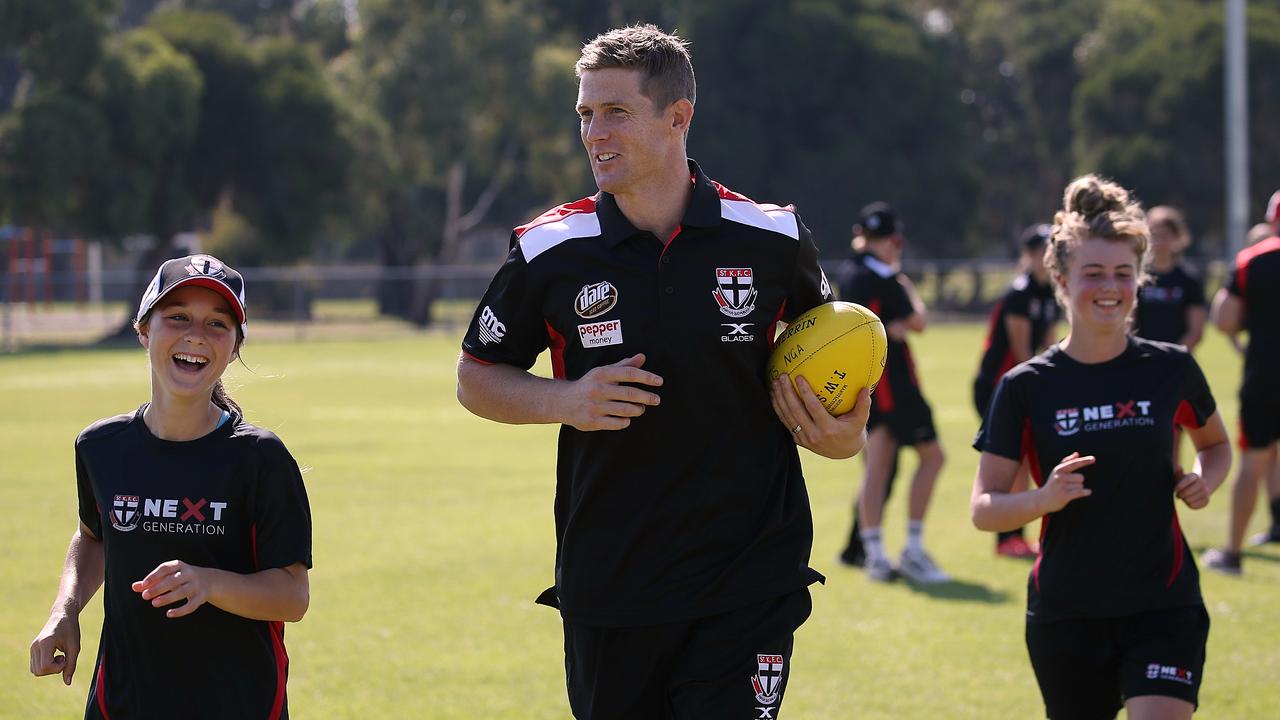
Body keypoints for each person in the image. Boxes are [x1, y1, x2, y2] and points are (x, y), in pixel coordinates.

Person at [455, 25, 869, 719]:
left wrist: (841, 434)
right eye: (586, 113)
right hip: (611, 579)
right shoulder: (551, 248)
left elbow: (832, 372)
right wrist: (569, 399)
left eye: (616, 112)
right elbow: (476, 377)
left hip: (748, 575)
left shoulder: (772, 239)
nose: (594, 132)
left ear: (677, 117)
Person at [971, 175, 1231, 720]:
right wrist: (1044, 497)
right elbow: (985, 509)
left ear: (1140, 278)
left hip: (1164, 603)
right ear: (1061, 279)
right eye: (1093, 273)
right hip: (1068, 613)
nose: (1109, 287)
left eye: (1123, 273)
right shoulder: (1025, 386)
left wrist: (1206, 478)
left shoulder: (1170, 368)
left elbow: (1215, 444)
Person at [29, 254, 313, 719]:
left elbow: (293, 596)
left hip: (239, 703)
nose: (195, 336)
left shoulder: (260, 458)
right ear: (144, 329)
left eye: (217, 324)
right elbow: (94, 536)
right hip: (122, 701)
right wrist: (66, 608)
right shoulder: (101, 447)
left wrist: (208, 583)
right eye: (177, 317)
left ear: (236, 346)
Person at [836, 202, 950, 583]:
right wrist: (906, 294)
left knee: (878, 465)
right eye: (894, 241)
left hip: (866, 376)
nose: (895, 248)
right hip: (892, 381)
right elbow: (918, 322)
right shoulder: (885, 277)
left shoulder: (851, 272)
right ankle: (909, 550)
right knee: (927, 458)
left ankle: (875, 554)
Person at [1202, 189, 1280, 571]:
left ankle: (1232, 552)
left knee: (1254, 459)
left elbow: (1224, 319)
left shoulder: (1253, 259)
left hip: (1266, 374)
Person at [973, 223, 1060, 558]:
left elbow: (1049, 345)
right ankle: (1007, 537)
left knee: (1025, 458)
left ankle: (1016, 535)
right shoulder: (1020, 293)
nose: (1048, 257)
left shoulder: (1048, 291)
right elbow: (1023, 352)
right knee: (1012, 460)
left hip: (1023, 386)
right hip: (998, 387)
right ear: (1029, 255)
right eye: (1041, 250)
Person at [1132, 206, 1207, 349]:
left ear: (1177, 238)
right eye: (1154, 235)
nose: (1159, 242)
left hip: (1176, 359)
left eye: (1165, 236)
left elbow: (1195, 331)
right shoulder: (1136, 278)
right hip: (1142, 358)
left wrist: (1173, 356)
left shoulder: (1188, 280)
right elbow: (1128, 324)